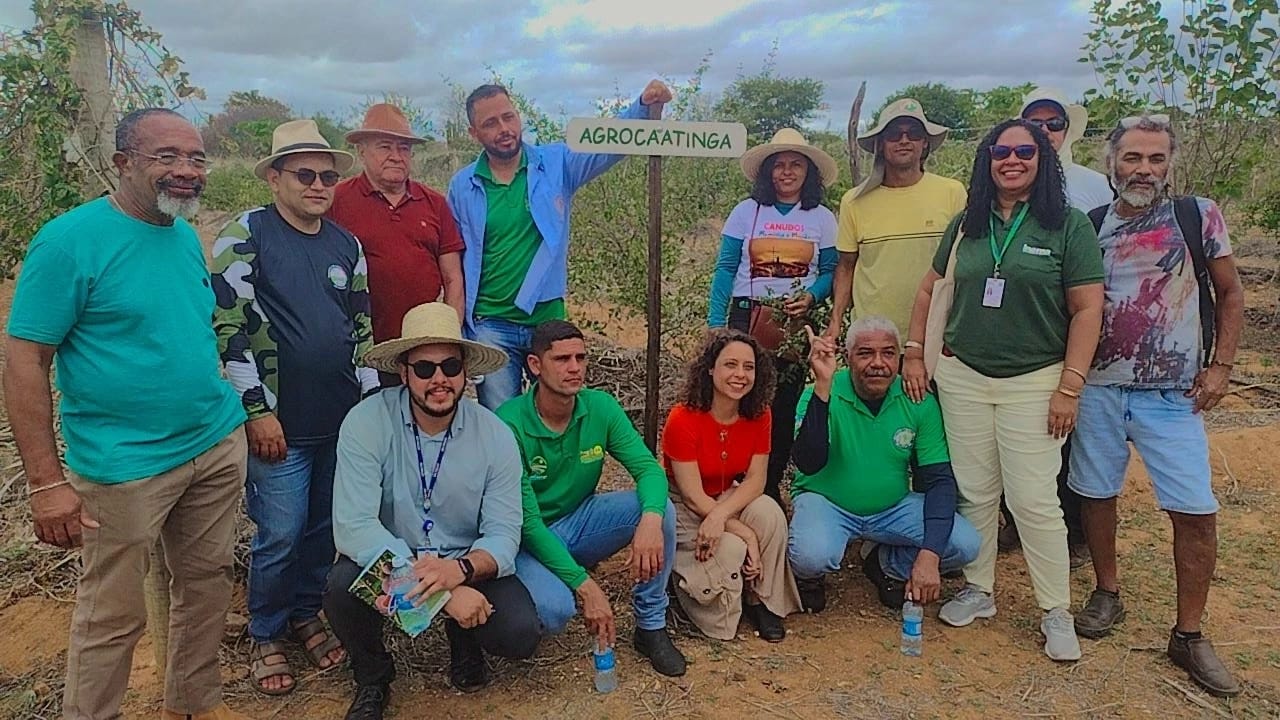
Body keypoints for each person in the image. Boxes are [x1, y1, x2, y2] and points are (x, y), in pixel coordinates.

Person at [5, 108, 249, 720]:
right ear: (123, 163)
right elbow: (26, 359)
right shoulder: (68, 242)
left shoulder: (183, 234)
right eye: (167, 156)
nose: (186, 170)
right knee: (111, 615)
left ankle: (191, 705)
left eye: (196, 158)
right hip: (124, 467)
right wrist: (45, 483)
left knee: (207, 586)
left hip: (213, 443)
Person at [901, 118, 1105, 661]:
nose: (1011, 160)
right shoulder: (968, 223)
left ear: (1043, 160)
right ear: (986, 160)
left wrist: (1070, 385)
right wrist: (915, 351)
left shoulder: (1067, 225)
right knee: (975, 490)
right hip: (964, 376)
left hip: (1035, 380)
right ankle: (980, 588)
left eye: (1024, 151)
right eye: (1000, 151)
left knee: (1033, 498)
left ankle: (1055, 610)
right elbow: (928, 291)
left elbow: (1088, 309)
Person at [1069, 114, 1244, 697]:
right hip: (1098, 388)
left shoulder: (1196, 216)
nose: (1143, 169)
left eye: (1155, 159)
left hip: (1173, 394)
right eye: (1132, 158)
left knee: (1194, 509)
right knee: (1095, 494)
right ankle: (1107, 591)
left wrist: (1221, 366)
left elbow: (1230, 292)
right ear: (1111, 163)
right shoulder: (1091, 224)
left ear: (1169, 164)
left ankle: (1189, 633)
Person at [212, 119, 378, 695]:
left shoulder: (345, 245)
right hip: (279, 424)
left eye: (327, 177)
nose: (318, 186)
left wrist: (368, 409)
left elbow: (361, 329)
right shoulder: (246, 236)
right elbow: (229, 328)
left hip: (341, 420)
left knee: (324, 528)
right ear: (275, 177)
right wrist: (256, 410)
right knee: (279, 533)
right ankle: (266, 631)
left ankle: (307, 613)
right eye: (305, 175)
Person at [323, 303, 537, 719]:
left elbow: (503, 533)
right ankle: (373, 677)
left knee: (519, 633)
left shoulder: (495, 435)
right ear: (404, 373)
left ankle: (465, 639)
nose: (439, 379)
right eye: (424, 368)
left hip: (461, 560)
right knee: (341, 586)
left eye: (450, 366)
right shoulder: (366, 422)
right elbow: (353, 527)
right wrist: (442, 595)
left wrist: (459, 572)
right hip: (395, 555)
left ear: (465, 372)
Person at [448, 79, 673, 410]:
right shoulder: (462, 186)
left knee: (558, 415)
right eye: (490, 123)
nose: (504, 129)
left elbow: (606, 145)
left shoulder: (555, 164)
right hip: (490, 325)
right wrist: (453, 329)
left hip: (547, 319)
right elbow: (453, 260)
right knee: (501, 422)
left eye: (508, 117)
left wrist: (642, 106)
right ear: (474, 133)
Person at [497, 320, 686, 676]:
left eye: (580, 358)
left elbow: (648, 469)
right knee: (555, 611)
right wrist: (586, 587)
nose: (574, 368)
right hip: (526, 540)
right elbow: (529, 524)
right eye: (562, 359)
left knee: (660, 510)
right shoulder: (508, 423)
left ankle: (651, 626)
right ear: (535, 365)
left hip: (578, 521)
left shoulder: (600, 407)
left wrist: (650, 520)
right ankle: (544, 584)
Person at [788, 318, 980, 613]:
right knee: (811, 555)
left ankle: (886, 565)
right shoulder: (820, 392)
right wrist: (823, 387)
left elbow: (939, 480)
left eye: (888, 353)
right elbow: (808, 463)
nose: (878, 363)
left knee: (965, 544)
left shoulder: (916, 398)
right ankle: (809, 579)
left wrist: (929, 556)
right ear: (847, 356)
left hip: (892, 507)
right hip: (827, 502)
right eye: (865, 353)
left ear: (899, 358)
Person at [999, 87, 1115, 563]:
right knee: (1019, 428)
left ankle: (1074, 529)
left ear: (1067, 131)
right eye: (1035, 124)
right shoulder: (1006, 180)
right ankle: (1015, 519)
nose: (1045, 132)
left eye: (1054, 124)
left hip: (1076, 319)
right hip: (1023, 322)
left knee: (1065, 428)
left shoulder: (1094, 185)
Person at [707, 128, 839, 503]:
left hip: (794, 323)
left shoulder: (822, 218)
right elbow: (726, 267)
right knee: (738, 398)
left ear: (808, 172)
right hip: (746, 317)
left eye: (795, 164)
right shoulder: (746, 212)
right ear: (768, 172)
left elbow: (830, 270)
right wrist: (716, 323)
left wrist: (811, 296)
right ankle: (730, 482)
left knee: (782, 406)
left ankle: (768, 487)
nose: (787, 172)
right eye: (779, 165)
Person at [661, 330, 802, 642]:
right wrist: (745, 533)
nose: (740, 375)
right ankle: (685, 587)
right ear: (711, 368)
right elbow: (692, 496)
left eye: (748, 367)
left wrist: (721, 515)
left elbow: (756, 480)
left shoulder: (759, 413)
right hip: (684, 505)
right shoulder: (682, 418)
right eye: (730, 365)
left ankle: (761, 599)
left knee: (769, 513)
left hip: (725, 495)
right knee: (732, 546)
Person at [328, 103, 466, 350]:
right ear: (361, 151)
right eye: (384, 147)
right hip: (357, 344)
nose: (396, 156)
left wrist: (448, 337)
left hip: (420, 346)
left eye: (404, 148)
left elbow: (453, 278)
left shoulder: (435, 203)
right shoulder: (336, 200)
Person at [826, 99, 966, 341]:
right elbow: (846, 266)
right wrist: (836, 321)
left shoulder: (952, 193)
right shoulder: (854, 201)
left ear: (924, 143)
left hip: (935, 333)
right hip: (874, 338)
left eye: (913, 133)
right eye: (894, 134)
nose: (904, 140)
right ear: (880, 145)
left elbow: (963, 262)